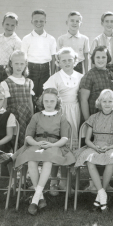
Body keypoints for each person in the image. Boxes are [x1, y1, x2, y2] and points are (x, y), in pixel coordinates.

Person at [12, 88, 75, 215]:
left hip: (55, 145)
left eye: (52, 101)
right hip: (38, 144)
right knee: (31, 160)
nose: (49, 103)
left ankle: (35, 199)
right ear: (42, 101)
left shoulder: (61, 117)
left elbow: (64, 138)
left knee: (48, 160)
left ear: (57, 101)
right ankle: (39, 197)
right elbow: (28, 136)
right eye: (46, 101)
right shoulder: (36, 116)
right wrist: (36, 143)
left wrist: (52, 144)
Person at [74, 89, 113, 212]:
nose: (107, 104)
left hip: (112, 146)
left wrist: (109, 147)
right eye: (104, 101)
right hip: (95, 145)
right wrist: (94, 147)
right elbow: (88, 140)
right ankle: (102, 193)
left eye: (110, 101)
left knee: (111, 159)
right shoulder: (93, 117)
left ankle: (100, 196)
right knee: (89, 159)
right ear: (99, 102)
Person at [43, 47, 83, 195]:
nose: (67, 62)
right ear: (58, 62)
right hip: (60, 114)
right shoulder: (55, 78)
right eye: (63, 60)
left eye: (70, 60)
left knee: (69, 149)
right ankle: (53, 181)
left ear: (75, 61)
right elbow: (48, 97)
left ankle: (64, 182)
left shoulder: (80, 76)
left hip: (75, 113)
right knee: (56, 147)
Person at [0, 50, 34, 148]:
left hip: (26, 116)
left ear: (25, 64)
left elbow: (30, 101)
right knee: (14, 139)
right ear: (11, 64)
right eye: (16, 63)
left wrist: (32, 117)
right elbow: (4, 105)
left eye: (22, 64)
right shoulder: (6, 83)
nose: (19, 66)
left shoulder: (29, 82)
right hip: (13, 116)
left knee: (27, 138)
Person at [21, 9, 57, 102]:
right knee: (30, 95)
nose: (38, 23)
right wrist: (24, 74)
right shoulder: (26, 38)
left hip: (45, 70)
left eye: (41, 21)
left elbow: (53, 59)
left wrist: (52, 75)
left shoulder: (51, 39)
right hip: (30, 69)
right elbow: (23, 59)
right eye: (36, 21)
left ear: (45, 22)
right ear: (31, 21)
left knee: (43, 96)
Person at [80, 46, 113, 122]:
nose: (100, 60)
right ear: (93, 59)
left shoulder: (112, 75)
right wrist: (88, 120)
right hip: (95, 116)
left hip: (111, 116)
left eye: (103, 57)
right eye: (98, 57)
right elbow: (83, 100)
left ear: (107, 58)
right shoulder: (89, 76)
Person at [91, 11, 113, 78]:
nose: (109, 24)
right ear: (102, 23)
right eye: (107, 21)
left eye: (111, 21)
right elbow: (92, 61)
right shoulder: (97, 40)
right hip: (100, 70)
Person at [0, 12, 22, 84]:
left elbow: (17, 59)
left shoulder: (17, 41)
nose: (9, 27)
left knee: (8, 91)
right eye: (7, 24)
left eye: (13, 25)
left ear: (16, 26)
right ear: (2, 24)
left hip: (9, 70)